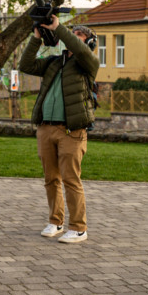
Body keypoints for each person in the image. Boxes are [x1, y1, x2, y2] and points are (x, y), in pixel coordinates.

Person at [19, 17, 99, 243]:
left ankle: (78, 228)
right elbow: (25, 65)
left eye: (78, 36)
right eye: (72, 34)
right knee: (50, 179)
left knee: (71, 180)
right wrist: (37, 37)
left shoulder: (88, 63)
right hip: (46, 128)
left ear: (88, 43)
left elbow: (79, 50)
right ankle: (56, 222)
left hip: (71, 131)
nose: (72, 38)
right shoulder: (54, 62)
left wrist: (58, 28)